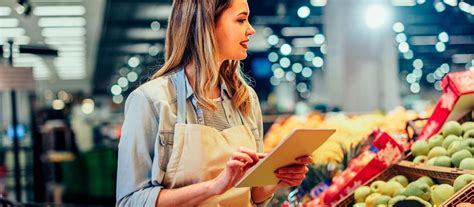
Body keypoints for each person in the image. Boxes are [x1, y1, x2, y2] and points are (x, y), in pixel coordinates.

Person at [116, 0, 312, 206]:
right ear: (207, 25)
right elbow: (130, 201)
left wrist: (277, 181)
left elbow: (252, 195)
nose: (251, 30)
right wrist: (214, 187)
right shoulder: (151, 101)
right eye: (241, 20)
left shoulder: (245, 98)